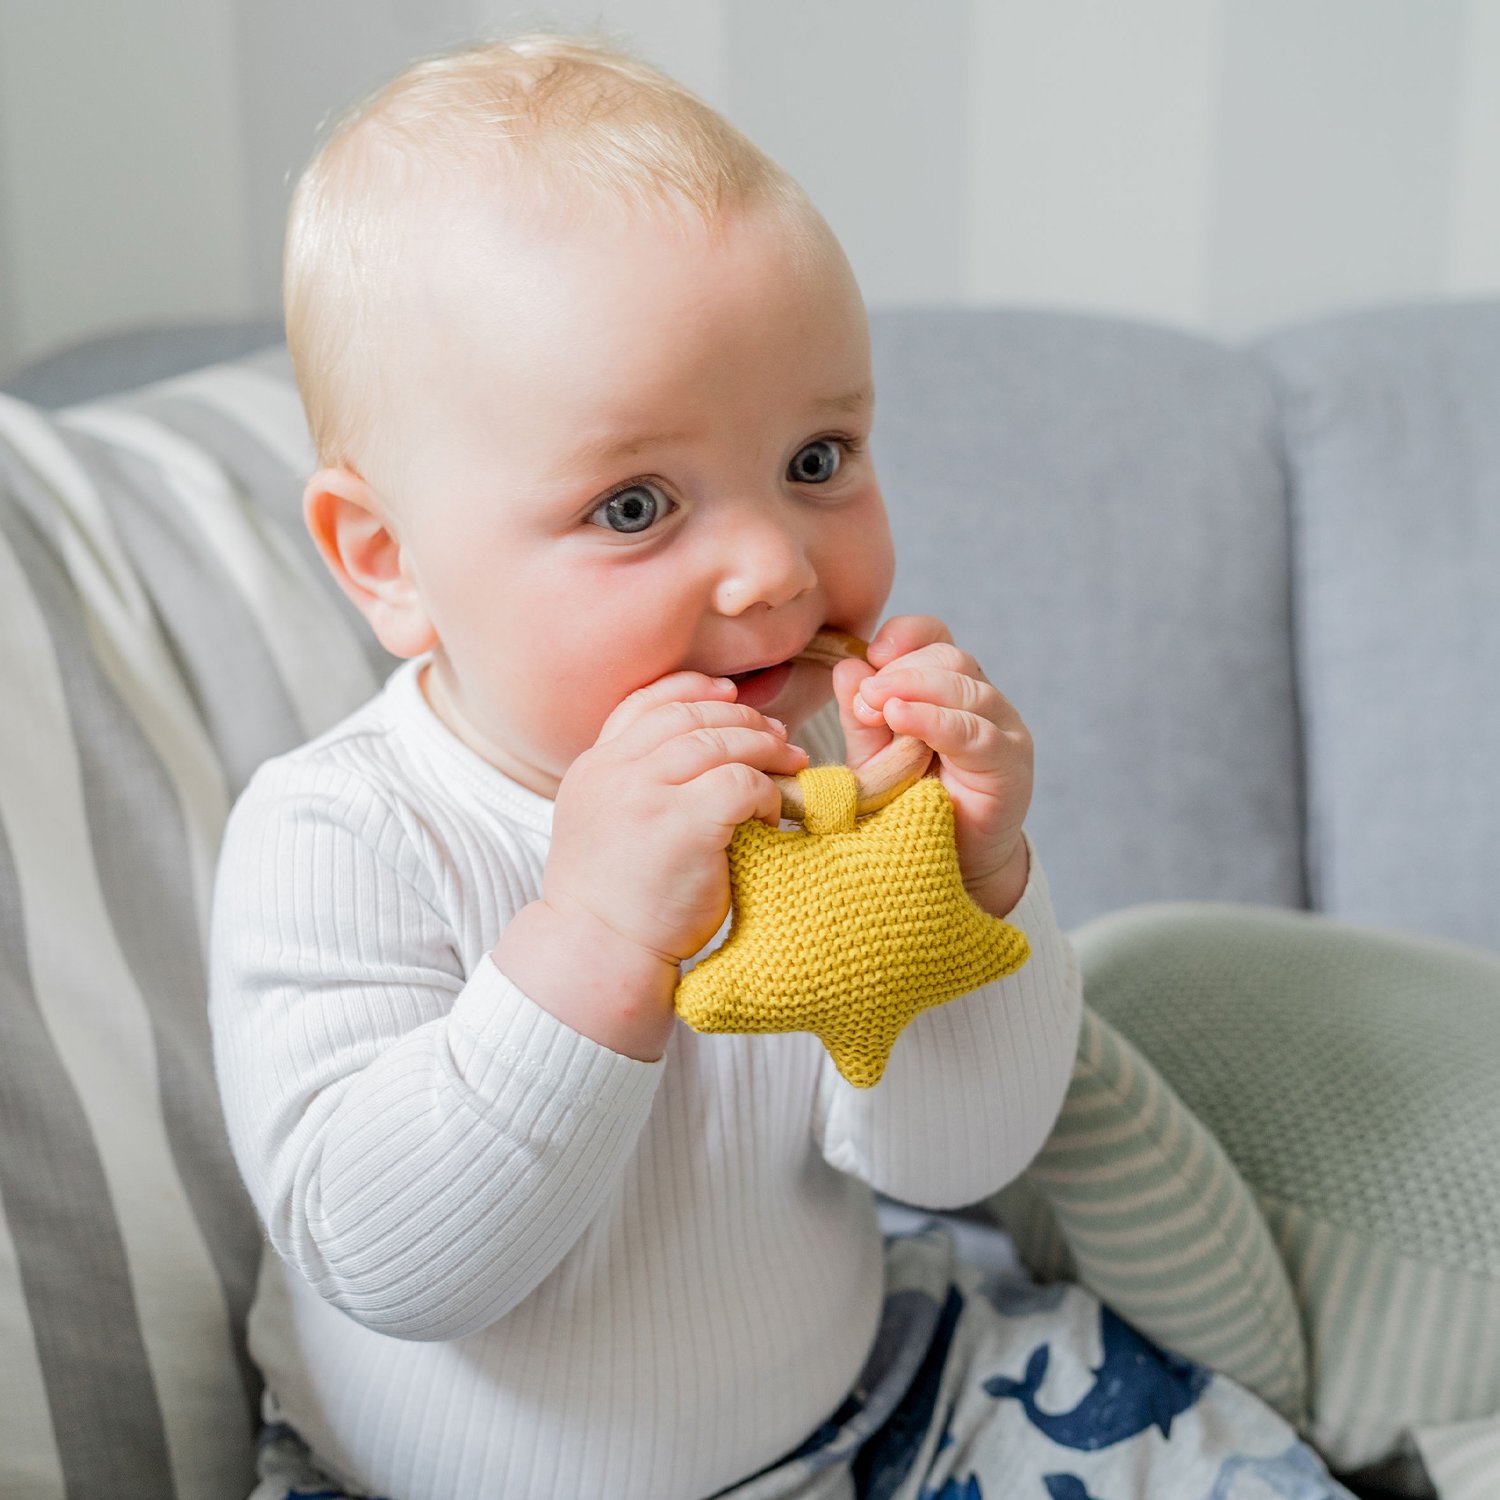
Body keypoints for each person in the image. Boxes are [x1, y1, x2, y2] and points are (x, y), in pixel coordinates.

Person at [209, 32, 1352, 1500]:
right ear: (390, 561)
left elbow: (949, 1160)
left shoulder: (829, 756)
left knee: (1223, 1462)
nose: (769, 566)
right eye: (634, 503)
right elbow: (388, 1261)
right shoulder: (339, 832)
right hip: (427, 1482)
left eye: (818, 460)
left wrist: (979, 887)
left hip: (877, 1411)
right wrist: (601, 937)